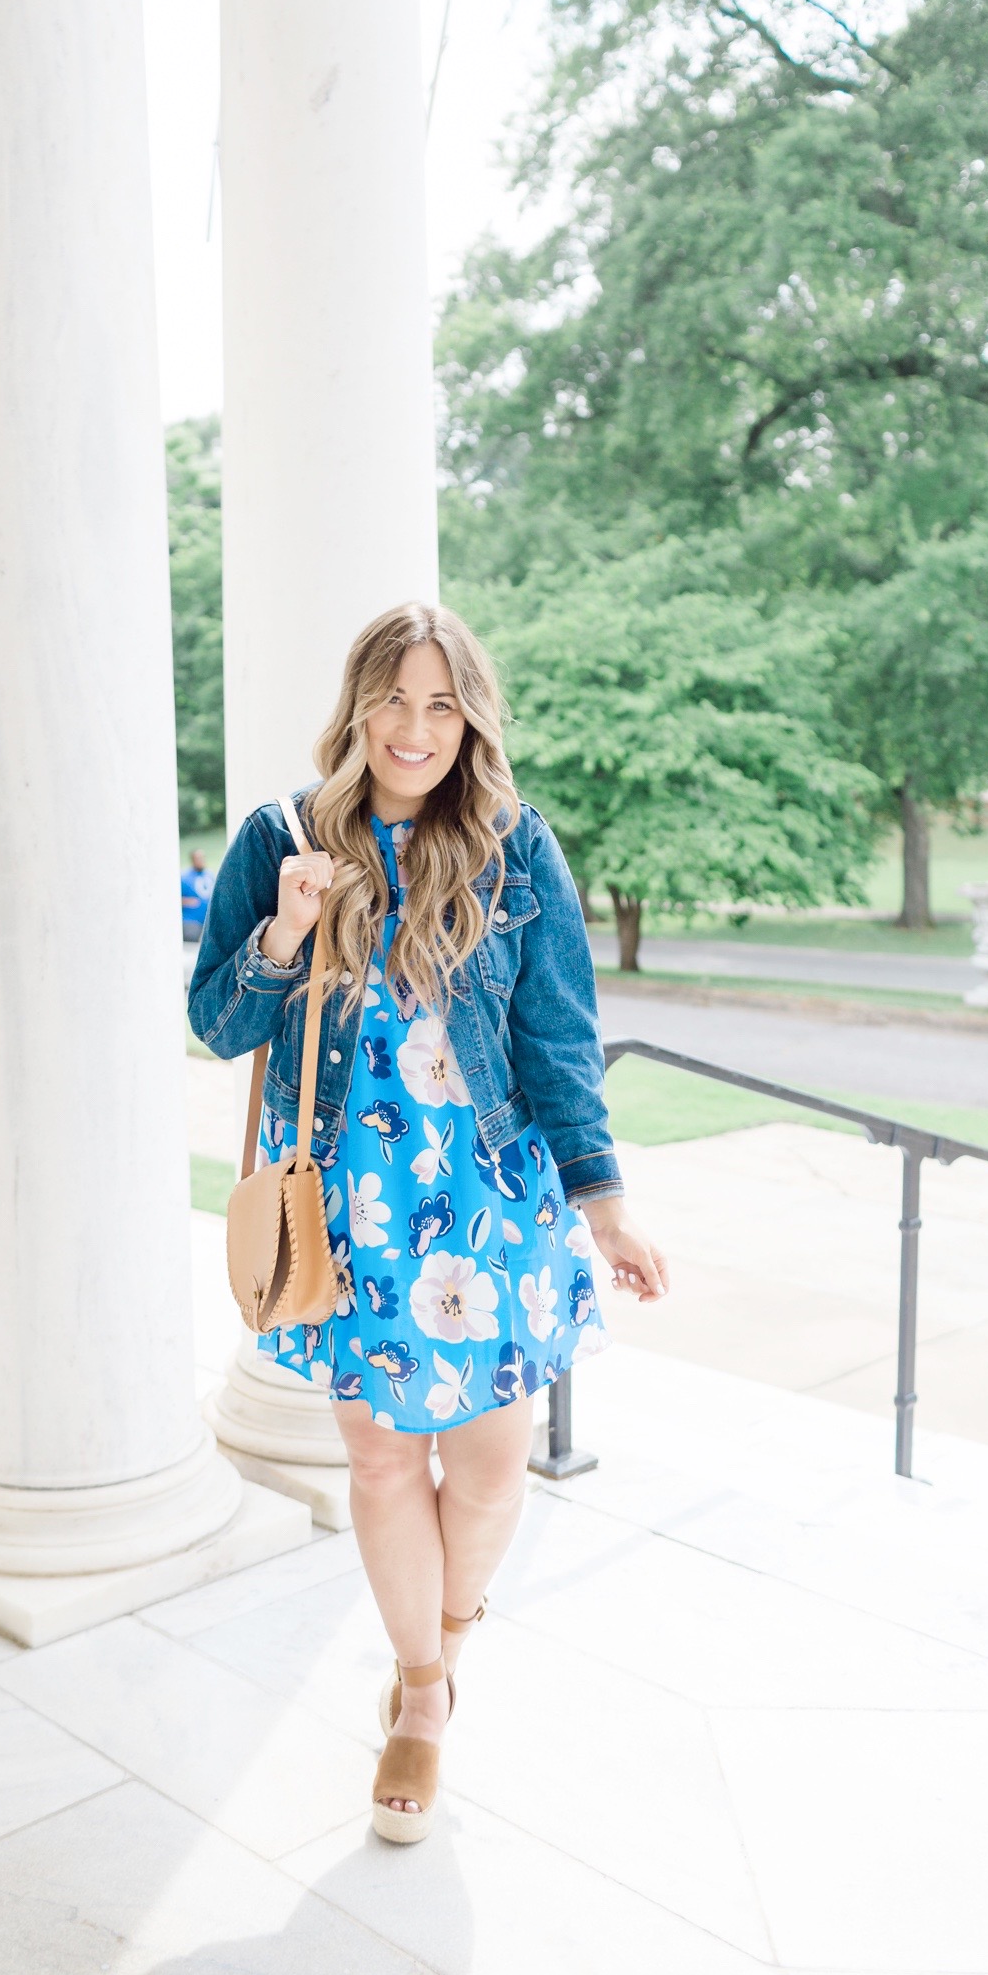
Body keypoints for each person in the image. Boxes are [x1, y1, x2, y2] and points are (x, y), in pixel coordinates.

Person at [187, 601, 668, 1844]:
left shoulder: (515, 844)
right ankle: (416, 1691)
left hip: (494, 1198)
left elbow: (558, 1035)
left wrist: (604, 1202)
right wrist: (285, 932)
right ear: (356, 705)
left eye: (441, 703)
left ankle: (448, 1640)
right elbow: (217, 1023)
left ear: (472, 717)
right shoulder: (282, 836)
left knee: (493, 1469)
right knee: (384, 1458)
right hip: (352, 1206)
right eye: (393, 699)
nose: (413, 728)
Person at [180, 847, 215, 942]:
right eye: (198, 858)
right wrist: (185, 901)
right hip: (191, 920)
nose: (201, 861)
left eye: (202, 858)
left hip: (208, 920)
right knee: (192, 936)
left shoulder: (210, 875)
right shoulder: (184, 877)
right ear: (192, 860)